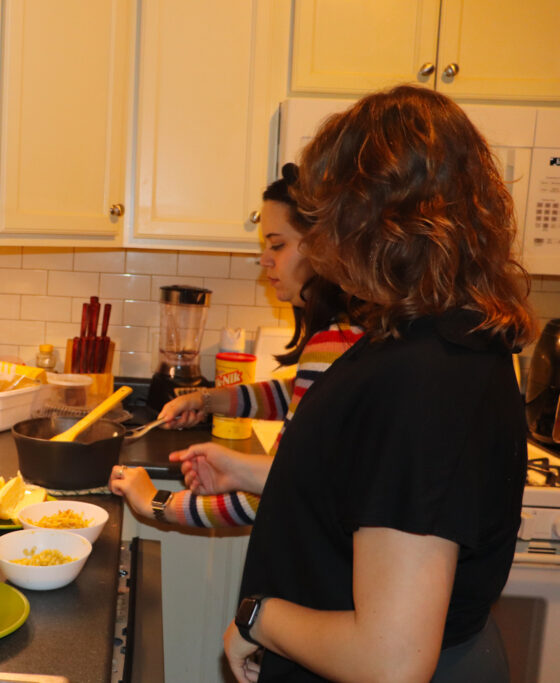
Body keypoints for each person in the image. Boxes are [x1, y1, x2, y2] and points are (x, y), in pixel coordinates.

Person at [204, 85, 535, 682]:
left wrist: (260, 617)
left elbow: (391, 660)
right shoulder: (439, 340)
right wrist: (260, 475)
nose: (323, 234)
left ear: (375, 218)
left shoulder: (423, 378)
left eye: (329, 209)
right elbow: (370, 488)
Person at [108, 164, 363, 528]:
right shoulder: (351, 331)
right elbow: (299, 394)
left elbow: (275, 488)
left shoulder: (334, 341)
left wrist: (156, 501)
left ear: (323, 246)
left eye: (278, 244)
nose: (265, 259)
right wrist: (209, 400)